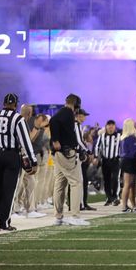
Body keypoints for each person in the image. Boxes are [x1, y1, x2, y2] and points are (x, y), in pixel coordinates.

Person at [0, 93, 37, 232]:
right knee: (9, 190)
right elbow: (25, 142)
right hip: (11, 156)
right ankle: (4, 222)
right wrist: (33, 161)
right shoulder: (18, 119)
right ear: (15, 105)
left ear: (4, 103)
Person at [49, 96, 91, 226]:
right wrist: (55, 139)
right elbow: (53, 121)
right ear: (76, 104)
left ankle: (58, 216)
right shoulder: (67, 113)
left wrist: (55, 140)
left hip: (59, 154)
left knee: (60, 184)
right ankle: (75, 216)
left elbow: (54, 121)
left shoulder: (63, 113)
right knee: (76, 183)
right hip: (66, 154)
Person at [118, 118, 136, 212]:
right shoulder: (130, 138)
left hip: (127, 160)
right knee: (128, 184)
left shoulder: (124, 137)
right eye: (134, 124)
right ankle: (124, 206)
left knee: (132, 185)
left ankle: (134, 205)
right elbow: (133, 152)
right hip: (128, 160)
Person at [96, 119, 122, 207]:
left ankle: (115, 196)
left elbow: (122, 148)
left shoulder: (119, 136)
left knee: (115, 178)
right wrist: (96, 157)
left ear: (115, 127)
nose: (110, 128)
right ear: (106, 127)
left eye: (112, 126)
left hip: (115, 160)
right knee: (106, 180)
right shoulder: (102, 136)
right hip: (105, 160)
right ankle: (109, 198)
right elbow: (97, 147)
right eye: (109, 126)